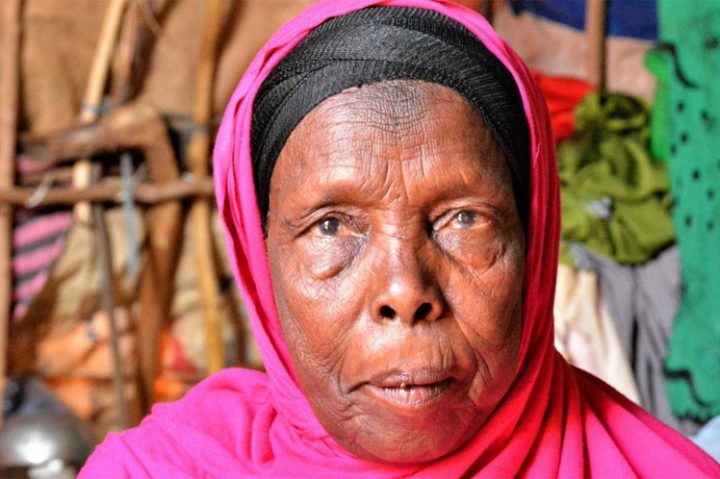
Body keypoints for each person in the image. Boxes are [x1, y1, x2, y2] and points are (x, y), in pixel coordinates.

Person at [79, 0, 720, 477]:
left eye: (464, 219)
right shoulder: (159, 471)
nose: (406, 292)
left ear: (535, 236)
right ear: (258, 255)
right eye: (331, 225)